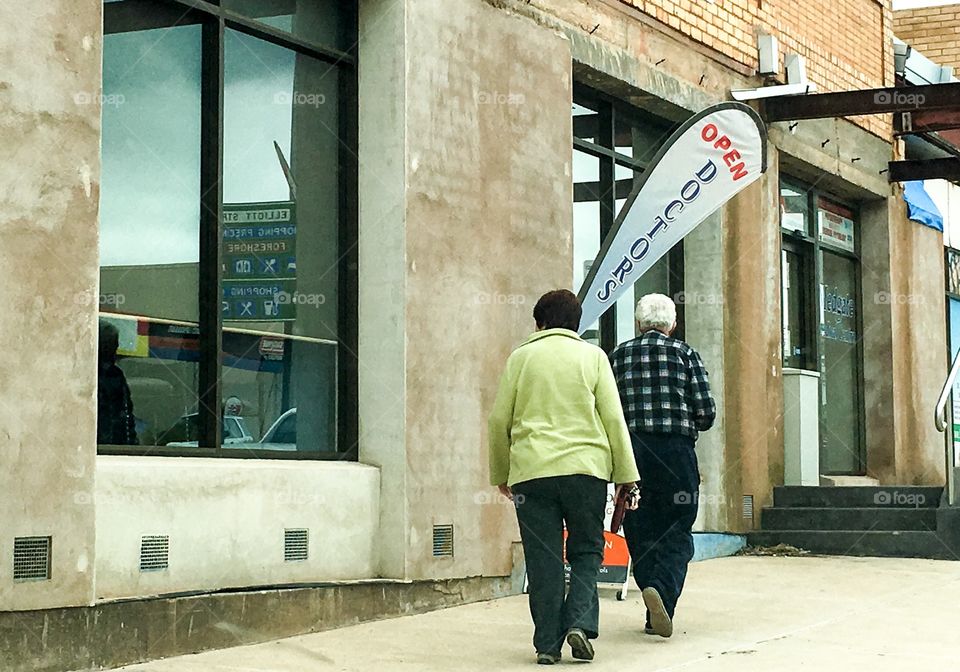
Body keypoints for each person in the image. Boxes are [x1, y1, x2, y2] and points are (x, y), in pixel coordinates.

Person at [488, 289, 639, 665]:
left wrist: (501, 473)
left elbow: (498, 421)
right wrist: (626, 474)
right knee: (588, 550)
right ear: (577, 324)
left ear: (539, 322)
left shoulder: (521, 358)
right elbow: (613, 419)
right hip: (585, 472)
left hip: (531, 473)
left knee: (544, 558)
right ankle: (579, 622)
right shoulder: (593, 357)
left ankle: (546, 645)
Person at [609, 293, 716, 639]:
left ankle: (652, 599)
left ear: (639, 324)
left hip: (633, 456)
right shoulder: (685, 354)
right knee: (678, 528)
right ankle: (661, 590)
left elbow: (608, 412)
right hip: (676, 455)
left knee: (640, 529)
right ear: (672, 325)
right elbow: (706, 412)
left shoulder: (619, 356)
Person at [97, 319, 138, 446]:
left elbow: (126, 415)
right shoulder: (87, 375)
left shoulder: (115, 374)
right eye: (110, 344)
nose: (116, 349)